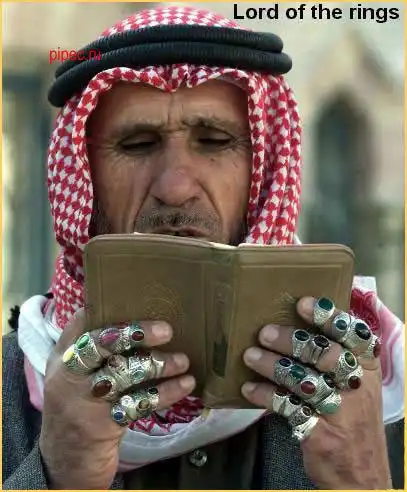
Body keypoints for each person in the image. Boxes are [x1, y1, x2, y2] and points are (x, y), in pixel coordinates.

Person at [2, 6, 404, 490]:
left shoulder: (375, 393)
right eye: (137, 145)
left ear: (263, 171)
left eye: (214, 141)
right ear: (87, 178)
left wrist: (362, 478)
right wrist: (57, 472)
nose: (175, 187)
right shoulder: (12, 391)